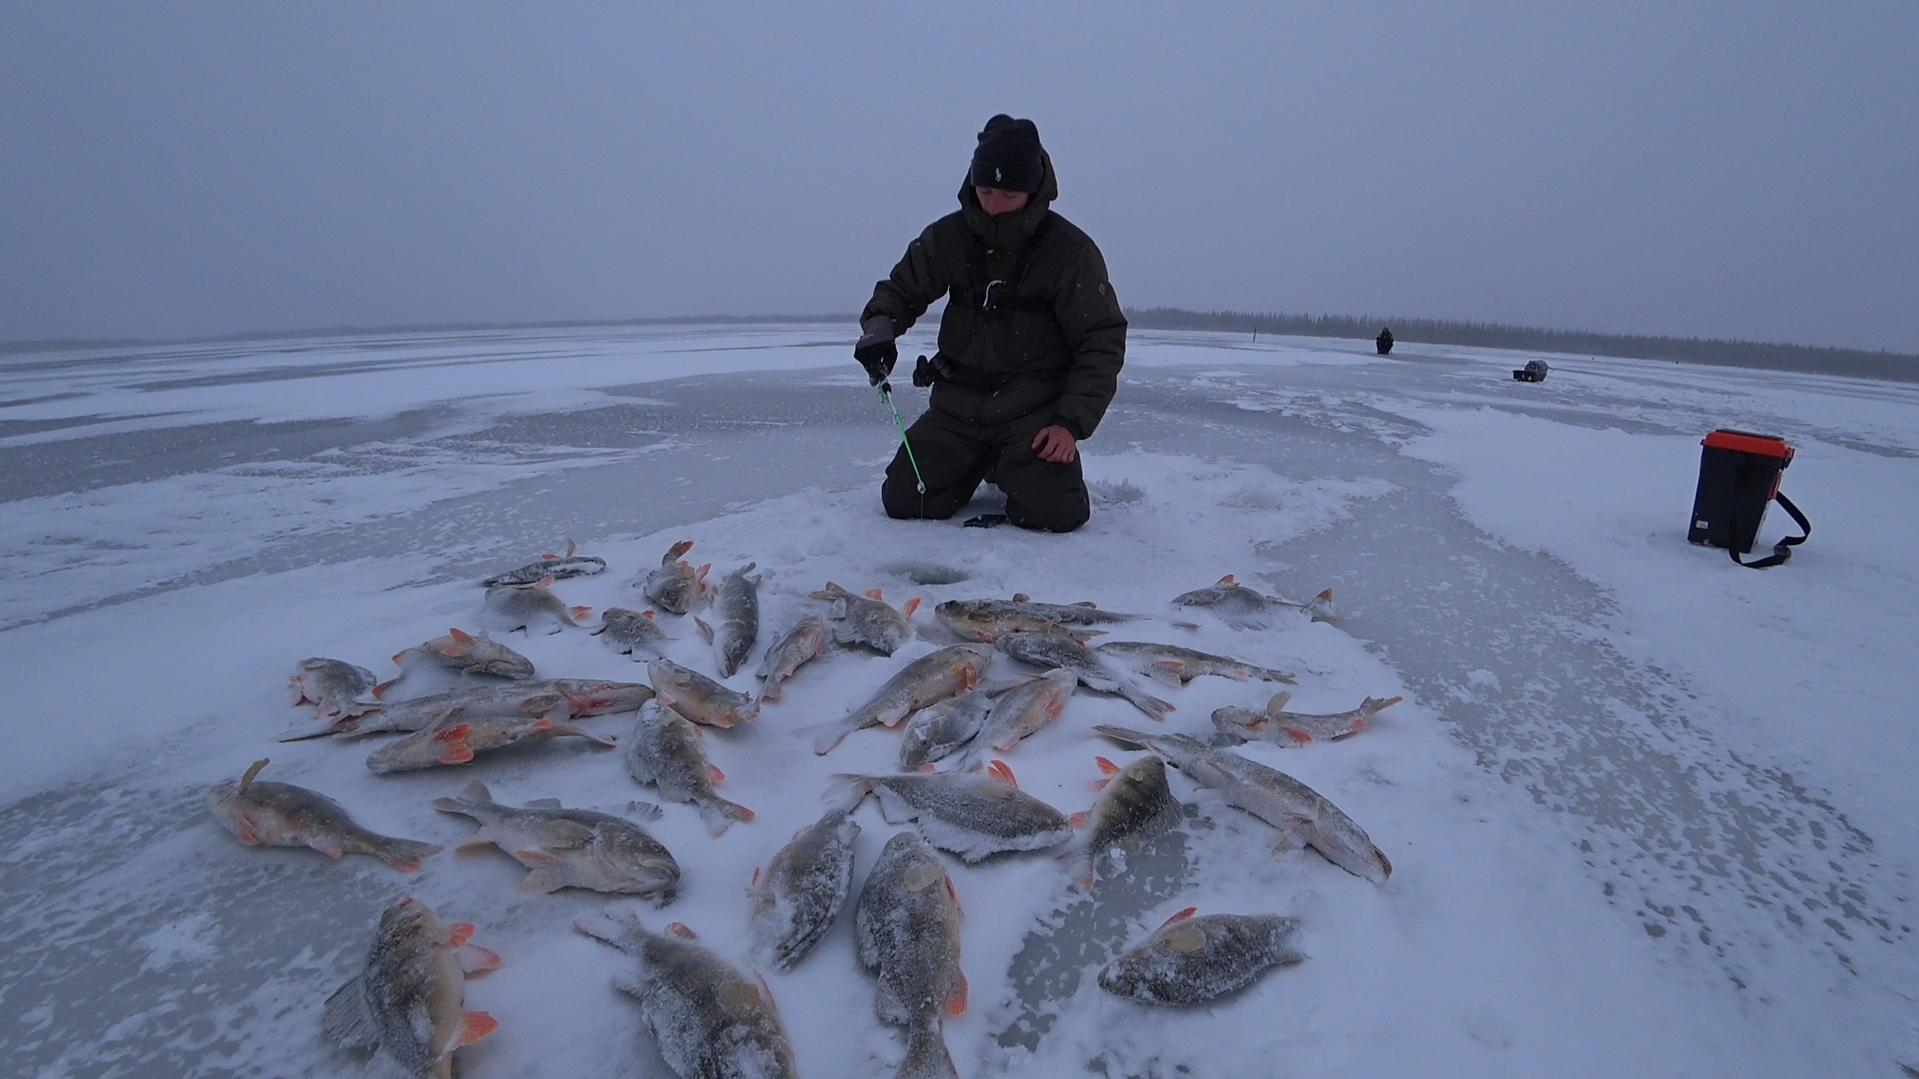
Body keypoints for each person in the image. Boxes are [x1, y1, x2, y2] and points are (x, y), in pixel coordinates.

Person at [852, 114, 1126, 533]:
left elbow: (1100, 341)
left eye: (1009, 194)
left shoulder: (1069, 252)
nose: (994, 206)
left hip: (1029, 416)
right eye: (985, 191)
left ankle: (1008, 464)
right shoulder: (948, 237)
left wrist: (1069, 424)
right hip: (956, 410)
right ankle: (975, 461)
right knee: (907, 499)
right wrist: (879, 327)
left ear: (1034, 190)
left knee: (1057, 512)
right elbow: (899, 290)